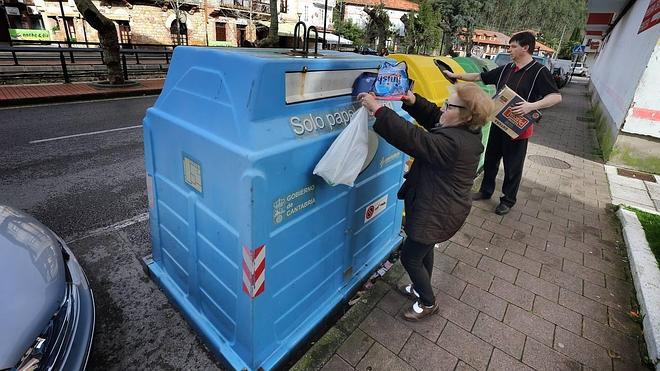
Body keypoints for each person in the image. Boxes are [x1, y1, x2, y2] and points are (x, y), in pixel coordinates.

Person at [357, 83, 495, 321]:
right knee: (423, 250)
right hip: (439, 209)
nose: (442, 108)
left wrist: (379, 110)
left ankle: (428, 302)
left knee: (410, 257)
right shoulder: (465, 131)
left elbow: (413, 138)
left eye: (448, 105)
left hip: (436, 213)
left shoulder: (453, 143)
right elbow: (436, 118)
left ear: (466, 115)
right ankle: (421, 288)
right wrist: (413, 101)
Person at [444, 31, 562, 215]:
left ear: (526, 48)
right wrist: (454, 74)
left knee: (513, 165)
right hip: (499, 123)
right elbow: (479, 77)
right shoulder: (507, 68)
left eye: (513, 47)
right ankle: (485, 190)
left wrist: (531, 106)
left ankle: (508, 200)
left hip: (518, 129)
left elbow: (556, 97)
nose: (510, 50)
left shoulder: (539, 72)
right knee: (491, 159)